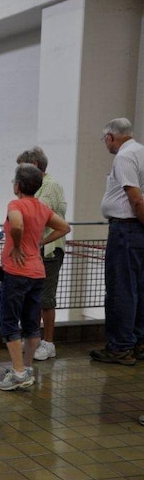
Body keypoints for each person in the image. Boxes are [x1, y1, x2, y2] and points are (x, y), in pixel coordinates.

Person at [0, 164, 70, 392]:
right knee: (30, 323)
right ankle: (26, 368)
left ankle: (17, 372)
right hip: (37, 272)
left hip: (16, 272)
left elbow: (16, 223)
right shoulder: (41, 208)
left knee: (9, 321)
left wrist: (17, 245)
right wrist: (39, 242)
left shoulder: (16, 204)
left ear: (17, 185)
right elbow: (64, 227)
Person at [91, 118, 144, 366]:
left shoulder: (124, 157)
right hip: (136, 233)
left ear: (111, 137)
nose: (106, 145)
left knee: (120, 290)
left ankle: (120, 347)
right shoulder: (141, 151)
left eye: (105, 140)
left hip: (126, 231)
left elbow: (136, 199)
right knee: (138, 290)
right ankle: (137, 342)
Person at [16, 147, 67, 361]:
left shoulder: (50, 186)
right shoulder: (37, 189)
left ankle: (48, 342)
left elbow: (39, 213)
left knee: (46, 299)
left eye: (21, 169)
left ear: (34, 166)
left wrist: (41, 241)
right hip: (33, 252)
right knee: (33, 299)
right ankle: (32, 339)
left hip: (49, 252)